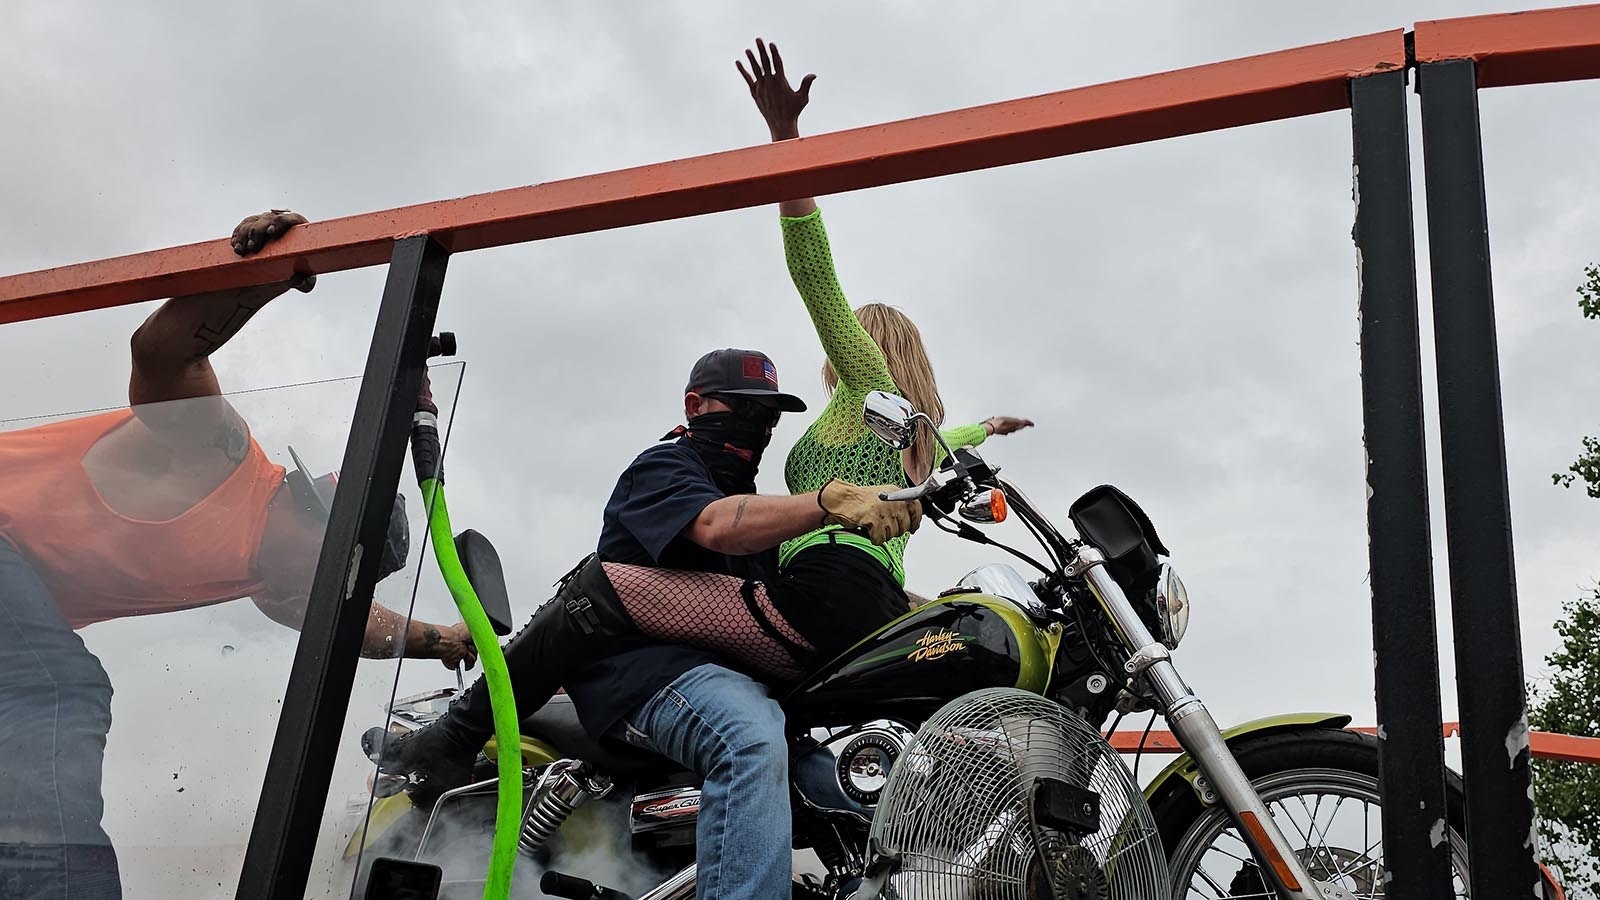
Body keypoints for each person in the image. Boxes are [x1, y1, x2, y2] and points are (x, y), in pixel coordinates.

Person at [0, 210, 476, 900]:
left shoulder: (265, 574)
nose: (320, 584)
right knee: (58, 690)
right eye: (333, 561)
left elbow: (358, 626)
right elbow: (163, 353)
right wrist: (268, 273)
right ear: (316, 522)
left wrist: (442, 642)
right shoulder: (216, 454)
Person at [368, 347, 919, 900]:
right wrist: (826, 501)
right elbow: (715, 527)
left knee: (847, 785)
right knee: (747, 740)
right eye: (745, 410)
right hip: (649, 677)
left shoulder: (757, 512)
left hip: (734, 683)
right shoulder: (665, 468)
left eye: (770, 418)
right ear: (694, 404)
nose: (759, 428)